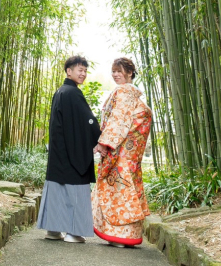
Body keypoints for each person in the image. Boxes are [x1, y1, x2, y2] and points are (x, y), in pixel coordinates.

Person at [36, 55, 101, 243]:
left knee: (57, 187)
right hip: (72, 152)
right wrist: (99, 138)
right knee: (76, 189)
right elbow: (88, 120)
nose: (83, 74)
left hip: (59, 151)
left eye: (85, 71)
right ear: (69, 71)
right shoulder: (73, 93)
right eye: (80, 70)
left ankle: (53, 230)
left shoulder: (60, 92)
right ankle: (73, 232)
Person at [92, 57, 153, 247]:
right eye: (113, 71)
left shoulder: (124, 92)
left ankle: (119, 234)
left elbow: (118, 122)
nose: (115, 74)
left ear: (130, 72)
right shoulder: (134, 95)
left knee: (118, 189)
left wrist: (104, 143)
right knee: (128, 189)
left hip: (121, 151)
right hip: (131, 153)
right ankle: (128, 235)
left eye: (119, 71)